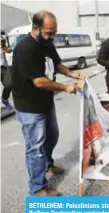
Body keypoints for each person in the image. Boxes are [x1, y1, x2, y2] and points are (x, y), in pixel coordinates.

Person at [11, 10, 84, 196]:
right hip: (29, 106)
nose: (52, 36)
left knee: (52, 136)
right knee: (35, 147)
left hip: (45, 101)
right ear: (35, 28)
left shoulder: (47, 43)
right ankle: (37, 188)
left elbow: (57, 63)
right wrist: (65, 87)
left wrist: (71, 73)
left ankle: (48, 165)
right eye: (48, 32)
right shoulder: (25, 49)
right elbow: (39, 81)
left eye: (54, 32)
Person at [1, 30, 13, 109]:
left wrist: (3, 46)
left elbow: (8, 51)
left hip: (3, 67)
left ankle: (4, 99)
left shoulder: (2, 41)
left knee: (9, 84)